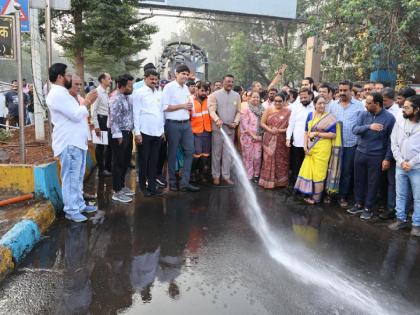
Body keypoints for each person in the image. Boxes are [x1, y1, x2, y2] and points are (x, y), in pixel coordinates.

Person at [46, 63, 98, 222]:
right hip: (69, 143)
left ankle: (79, 205)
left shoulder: (63, 94)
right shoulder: (57, 94)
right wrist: (87, 102)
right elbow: (76, 115)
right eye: (68, 75)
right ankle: (71, 210)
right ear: (61, 77)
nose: (71, 77)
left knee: (77, 177)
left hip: (76, 142)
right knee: (70, 178)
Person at [348, 92, 395, 220]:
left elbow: (391, 141)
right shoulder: (363, 114)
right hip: (360, 152)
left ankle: (368, 207)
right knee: (359, 180)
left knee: (373, 183)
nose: (366, 105)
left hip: (377, 155)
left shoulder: (389, 118)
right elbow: (355, 130)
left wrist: (387, 158)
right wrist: (369, 127)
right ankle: (358, 204)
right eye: (366, 102)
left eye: (369, 103)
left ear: (378, 104)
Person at [162, 64, 200, 192]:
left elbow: (189, 106)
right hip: (172, 124)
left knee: (190, 151)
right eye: (182, 73)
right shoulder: (169, 87)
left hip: (186, 124)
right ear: (176, 74)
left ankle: (185, 182)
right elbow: (165, 107)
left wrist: (187, 107)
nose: (185, 76)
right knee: (172, 154)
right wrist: (182, 105)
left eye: (186, 74)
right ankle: (172, 182)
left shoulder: (186, 89)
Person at [294, 95, 338, 204]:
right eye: (319, 103)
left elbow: (333, 134)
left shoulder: (329, 117)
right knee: (309, 170)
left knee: (319, 173)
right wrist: (305, 147)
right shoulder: (310, 115)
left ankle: (316, 198)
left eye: (324, 103)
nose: (322, 105)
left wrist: (317, 133)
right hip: (310, 148)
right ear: (314, 105)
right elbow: (306, 132)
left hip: (323, 149)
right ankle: (308, 192)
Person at [329, 80, 365, 208]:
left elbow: (361, 125)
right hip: (334, 144)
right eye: (340, 90)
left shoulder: (359, 106)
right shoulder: (332, 105)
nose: (342, 93)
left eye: (345, 90)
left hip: (351, 144)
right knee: (333, 170)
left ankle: (342, 196)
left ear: (351, 91)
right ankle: (331, 193)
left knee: (346, 172)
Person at [388, 95, 420, 236]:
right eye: (403, 106)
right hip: (400, 165)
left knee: (418, 198)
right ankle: (400, 219)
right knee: (400, 195)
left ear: (417, 109)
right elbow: (393, 141)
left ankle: (416, 224)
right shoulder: (400, 120)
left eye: (407, 107)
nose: (403, 109)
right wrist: (400, 161)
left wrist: (411, 163)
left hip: (417, 168)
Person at [133, 69, 165, 197]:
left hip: (157, 132)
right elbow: (136, 113)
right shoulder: (139, 93)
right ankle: (142, 187)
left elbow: (161, 112)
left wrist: (162, 131)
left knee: (154, 161)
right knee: (144, 161)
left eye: (156, 79)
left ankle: (152, 186)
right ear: (145, 79)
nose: (154, 81)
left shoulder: (159, 93)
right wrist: (137, 132)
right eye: (152, 79)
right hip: (144, 132)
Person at [208, 74, 241, 185]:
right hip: (218, 129)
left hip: (230, 129)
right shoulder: (214, 95)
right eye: (227, 81)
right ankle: (216, 175)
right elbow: (211, 111)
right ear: (223, 82)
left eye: (231, 82)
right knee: (216, 153)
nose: (229, 83)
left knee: (228, 153)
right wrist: (217, 119)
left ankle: (226, 176)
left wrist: (236, 122)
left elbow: (238, 112)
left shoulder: (236, 95)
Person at [109, 74, 136, 203]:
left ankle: (122, 186)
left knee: (125, 162)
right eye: (130, 86)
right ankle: (116, 191)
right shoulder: (115, 98)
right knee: (118, 162)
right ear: (123, 86)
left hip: (127, 132)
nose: (132, 88)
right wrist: (118, 135)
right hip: (118, 134)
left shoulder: (127, 97)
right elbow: (113, 118)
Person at [379, 87, 402, 219]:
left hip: (393, 152)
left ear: (392, 100)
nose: (383, 103)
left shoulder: (398, 113)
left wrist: (389, 156)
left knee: (391, 181)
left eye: (385, 101)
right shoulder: (379, 110)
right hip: (379, 150)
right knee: (381, 180)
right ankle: (382, 204)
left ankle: (391, 208)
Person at [259, 93, 291, 188]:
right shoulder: (269, 109)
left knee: (281, 160)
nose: (277, 103)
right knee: (268, 159)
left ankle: (280, 182)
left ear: (284, 101)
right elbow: (262, 123)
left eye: (280, 101)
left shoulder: (288, 112)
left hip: (282, 139)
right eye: (275, 101)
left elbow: (290, 127)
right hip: (269, 138)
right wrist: (270, 130)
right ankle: (268, 181)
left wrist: (279, 130)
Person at [286, 88, 314, 186]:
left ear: (310, 96)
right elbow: (291, 123)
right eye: (301, 98)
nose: (303, 99)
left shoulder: (315, 107)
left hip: (311, 143)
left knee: (307, 165)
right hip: (297, 142)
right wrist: (288, 138)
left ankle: (306, 186)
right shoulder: (296, 108)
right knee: (296, 165)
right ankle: (296, 185)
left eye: (305, 97)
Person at [190, 81, 212, 183]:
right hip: (195, 132)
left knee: (205, 155)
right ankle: (192, 173)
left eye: (206, 91)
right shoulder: (191, 101)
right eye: (202, 90)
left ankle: (201, 173)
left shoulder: (210, 100)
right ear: (197, 90)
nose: (204, 93)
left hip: (207, 131)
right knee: (197, 154)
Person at [92, 73, 113, 177]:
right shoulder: (98, 92)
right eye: (109, 79)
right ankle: (101, 169)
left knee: (108, 145)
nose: (111, 81)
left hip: (107, 120)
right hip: (101, 120)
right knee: (100, 146)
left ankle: (107, 167)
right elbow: (93, 110)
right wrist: (96, 126)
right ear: (102, 80)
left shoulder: (106, 92)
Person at [240, 92, 264, 181]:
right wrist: (253, 135)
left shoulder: (263, 109)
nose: (255, 99)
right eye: (253, 97)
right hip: (248, 137)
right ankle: (248, 175)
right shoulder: (246, 109)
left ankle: (256, 175)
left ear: (260, 99)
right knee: (248, 157)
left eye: (257, 97)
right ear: (250, 98)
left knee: (257, 157)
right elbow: (244, 124)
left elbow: (264, 123)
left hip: (259, 137)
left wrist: (260, 135)